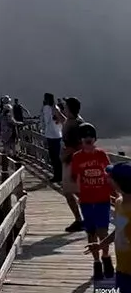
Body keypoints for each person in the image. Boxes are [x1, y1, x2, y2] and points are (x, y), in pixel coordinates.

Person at [70, 122, 115, 281]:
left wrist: (114, 193)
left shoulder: (102, 155)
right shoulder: (77, 157)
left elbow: (110, 175)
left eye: (91, 136)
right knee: (91, 232)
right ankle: (96, 263)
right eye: (84, 136)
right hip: (87, 200)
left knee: (103, 231)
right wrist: (78, 194)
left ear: (95, 138)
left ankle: (106, 257)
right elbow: (74, 177)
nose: (88, 139)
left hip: (103, 199)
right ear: (80, 140)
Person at [89, 162, 131, 292]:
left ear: (118, 183)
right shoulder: (119, 202)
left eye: (110, 176)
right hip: (122, 268)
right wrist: (101, 244)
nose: (107, 178)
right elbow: (119, 229)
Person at [60, 97, 89, 233]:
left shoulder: (75, 124)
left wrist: (64, 155)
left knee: (73, 192)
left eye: (65, 106)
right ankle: (83, 218)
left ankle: (81, 220)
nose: (63, 108)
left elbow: (77, 145)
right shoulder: (71, 121)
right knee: (74, 192)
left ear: (70, 108)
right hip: (69, 160)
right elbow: (62, 120)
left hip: (73, 161)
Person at [41, 93, 64, 184]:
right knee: (58, 157)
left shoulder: (46, 108)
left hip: (51, 134)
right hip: (58, 134)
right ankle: (60, 175)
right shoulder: (57, 108)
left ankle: (57, 175)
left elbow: (46, 121)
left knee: (53, 157)